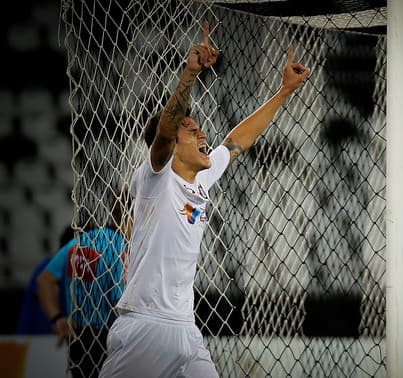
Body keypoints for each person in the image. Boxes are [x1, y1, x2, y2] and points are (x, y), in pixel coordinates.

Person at [98, 20, 310, 378]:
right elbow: (165, 132)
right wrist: (189, 74)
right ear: (170, 144)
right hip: (147, 328)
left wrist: (284, 91)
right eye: (191, 130)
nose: (201, 133)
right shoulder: (156, 178)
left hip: (185, 329)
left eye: (199, 128)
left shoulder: (201, 179)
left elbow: (237, 141)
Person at [37, 203, 129, 378]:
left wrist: (57, 318)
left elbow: (45, 280)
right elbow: (119, 300)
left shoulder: (80, 241)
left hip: (79, 340)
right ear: (129, 217)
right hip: (112, 339)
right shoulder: (122, 247)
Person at [16, 225, 73, 335]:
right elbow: (45, 284)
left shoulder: (47, 267)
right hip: (40, 336)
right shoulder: (49, 268)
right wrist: (57, 318)